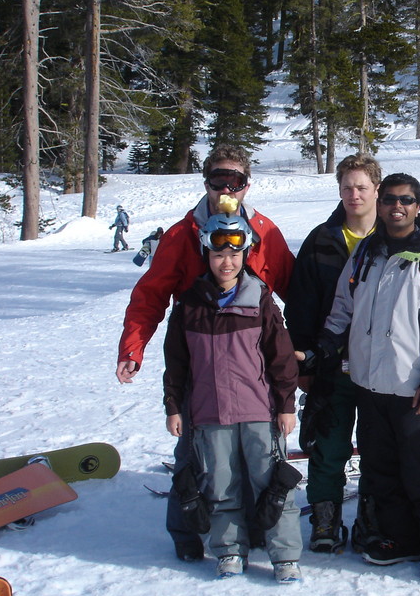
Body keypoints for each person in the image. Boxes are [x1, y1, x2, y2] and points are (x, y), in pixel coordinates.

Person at [115, 144, 295, 562]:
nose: (227, 187)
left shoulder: (264, 231)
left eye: (235, 180)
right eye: (218, 179)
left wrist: (304, 352)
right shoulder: (182, 235)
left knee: (258, 455)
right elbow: (150, 295)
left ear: (247, 186)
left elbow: (293, 289)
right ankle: (188, 535)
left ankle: (257, 534)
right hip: (200, 360)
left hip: (251, 366)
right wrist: (133, 347)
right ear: (207, 183)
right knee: (195, 454)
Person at [320, 173, 420, 578]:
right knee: (381, 470)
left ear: (418, 206)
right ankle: (400, 537)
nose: (396, 207)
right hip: (368, 383)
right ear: (380, 204)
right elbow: (343, 306)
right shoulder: (368, 252)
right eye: (389, 200)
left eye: (405, 200)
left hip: (413, 387)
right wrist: (327, 344)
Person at [162, 214, 303, 583]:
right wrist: (174, 406)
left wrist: (286, 405)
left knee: (272, 485)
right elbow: (176, 363)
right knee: (220, 485)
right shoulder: (189, 304)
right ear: (206, 254)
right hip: (210, 413)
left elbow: (281, 358)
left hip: (259, 410)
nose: (227, 263)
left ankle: (285, 556)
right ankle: (229, 550)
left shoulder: (259, 299)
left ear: (245, 255)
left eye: (235, 255)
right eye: (218, 255)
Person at [284, 153, 381, 555]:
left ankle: (375, 518)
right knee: (330, 443)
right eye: (346, 187)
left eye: (361, 187)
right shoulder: (321, 239)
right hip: (331, 364)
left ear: (377, 188)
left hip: (382, 365)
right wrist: (305, 360)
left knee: (378, 446)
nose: (353, 195)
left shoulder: (396, 236)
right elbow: (300, 305)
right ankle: (325, 517)